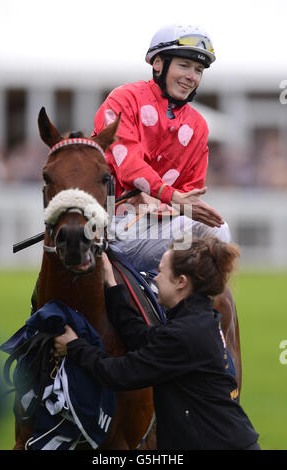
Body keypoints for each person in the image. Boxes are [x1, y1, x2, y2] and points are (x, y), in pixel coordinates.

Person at [54, 237, 260, 450]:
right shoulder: (198, 318)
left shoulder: (186, 334)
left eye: (162, 272)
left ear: (181, 282)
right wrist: (112, 286)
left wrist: (75, 346)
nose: (156, 279)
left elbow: (119, 373)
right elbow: (142, 337)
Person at [92, 23, 231, 272]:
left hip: (157, 232)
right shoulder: (123, 98)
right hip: (104, 228)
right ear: (158, 64)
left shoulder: (198, 125)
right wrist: (169, 195)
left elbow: (190, 192)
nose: (192, 76)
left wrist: (164, 202)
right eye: (184, 65)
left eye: (198, 70)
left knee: (217, 230)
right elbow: (129, 166)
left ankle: (193, 309)